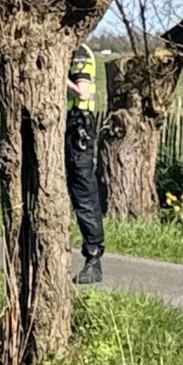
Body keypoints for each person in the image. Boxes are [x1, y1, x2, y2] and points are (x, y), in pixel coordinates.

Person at [68, 43, 107, 285]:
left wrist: (56, 78)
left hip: (78, 128)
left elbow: (82, 93)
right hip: (67, 125)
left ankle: (93, 257)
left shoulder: (79, 53)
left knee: (83, 191)